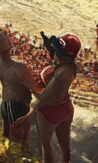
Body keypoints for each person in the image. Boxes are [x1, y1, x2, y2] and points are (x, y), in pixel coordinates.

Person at [14, 34, 80, 163]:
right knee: (65, 149)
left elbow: (49, 99)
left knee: (47, 148)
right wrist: (49, 45)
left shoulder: (63, 72)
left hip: (51, 110)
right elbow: (56, 58)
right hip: (66, 108)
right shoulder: (68, 66)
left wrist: (30, 114)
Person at [0, 30, 39, 150]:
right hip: (17, 105)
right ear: (1, 46)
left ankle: (8, 156)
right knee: (22, 140)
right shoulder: (20, 67)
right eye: (6, 40)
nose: (10, 40)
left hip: (6, 103)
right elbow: (34, 89)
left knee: (10, 138)